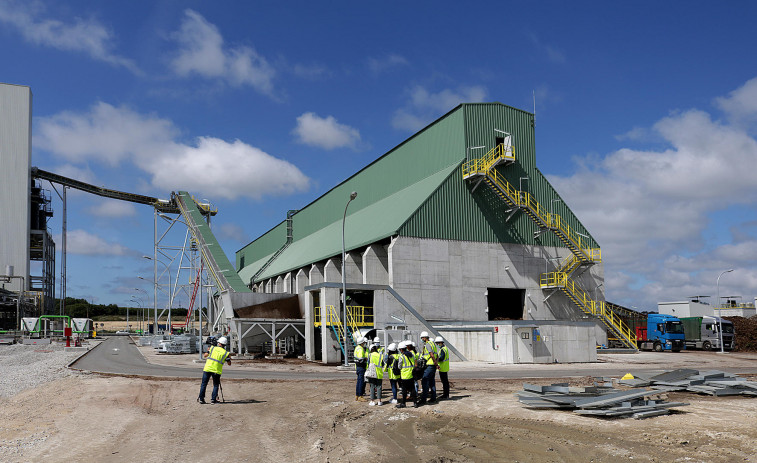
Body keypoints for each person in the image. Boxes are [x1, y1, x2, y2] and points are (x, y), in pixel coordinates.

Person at [198, 336, 231, 404]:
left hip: (207, 368)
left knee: (204, 384)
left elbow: (205, 355)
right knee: (216, 385)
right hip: (216, 371)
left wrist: (208, 350)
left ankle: (201, 399)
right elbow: (229, 363)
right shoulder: (226, 353)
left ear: (219, 343)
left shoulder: (212, 348)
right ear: (225, 345)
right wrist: (228, 358)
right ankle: (213, 400)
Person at [395, 341, 418, 408]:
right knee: (412, 389)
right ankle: (415, 403)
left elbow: (399, 367)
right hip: (411, 375)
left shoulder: (401, 357)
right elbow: (414, 364)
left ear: (401, 349)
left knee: (404, 390)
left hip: (404, 376)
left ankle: (403, 403)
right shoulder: (411, 355)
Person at [419, 331, 439, 404]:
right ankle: (433, 398)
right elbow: (437, 355)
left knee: (425, 381)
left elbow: (432, 355)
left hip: (429, 365)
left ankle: (423, 399)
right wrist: (436, 364)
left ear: (424, 338)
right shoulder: (433, 344)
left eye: (422, 338)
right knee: (432, 382)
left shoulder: (427, 344)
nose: (422, 339)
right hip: (433, 366)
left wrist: (435, 362)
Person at [353, 337, 369, 401]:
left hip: (358, 367)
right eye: (364, 343)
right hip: (361, 367)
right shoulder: (360, 349)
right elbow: (361, 359)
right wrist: (365, 359)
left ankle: (357, 395)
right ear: (362, 343)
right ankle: (360, 396)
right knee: (361, 382)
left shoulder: (357, 348)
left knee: (359, 382)